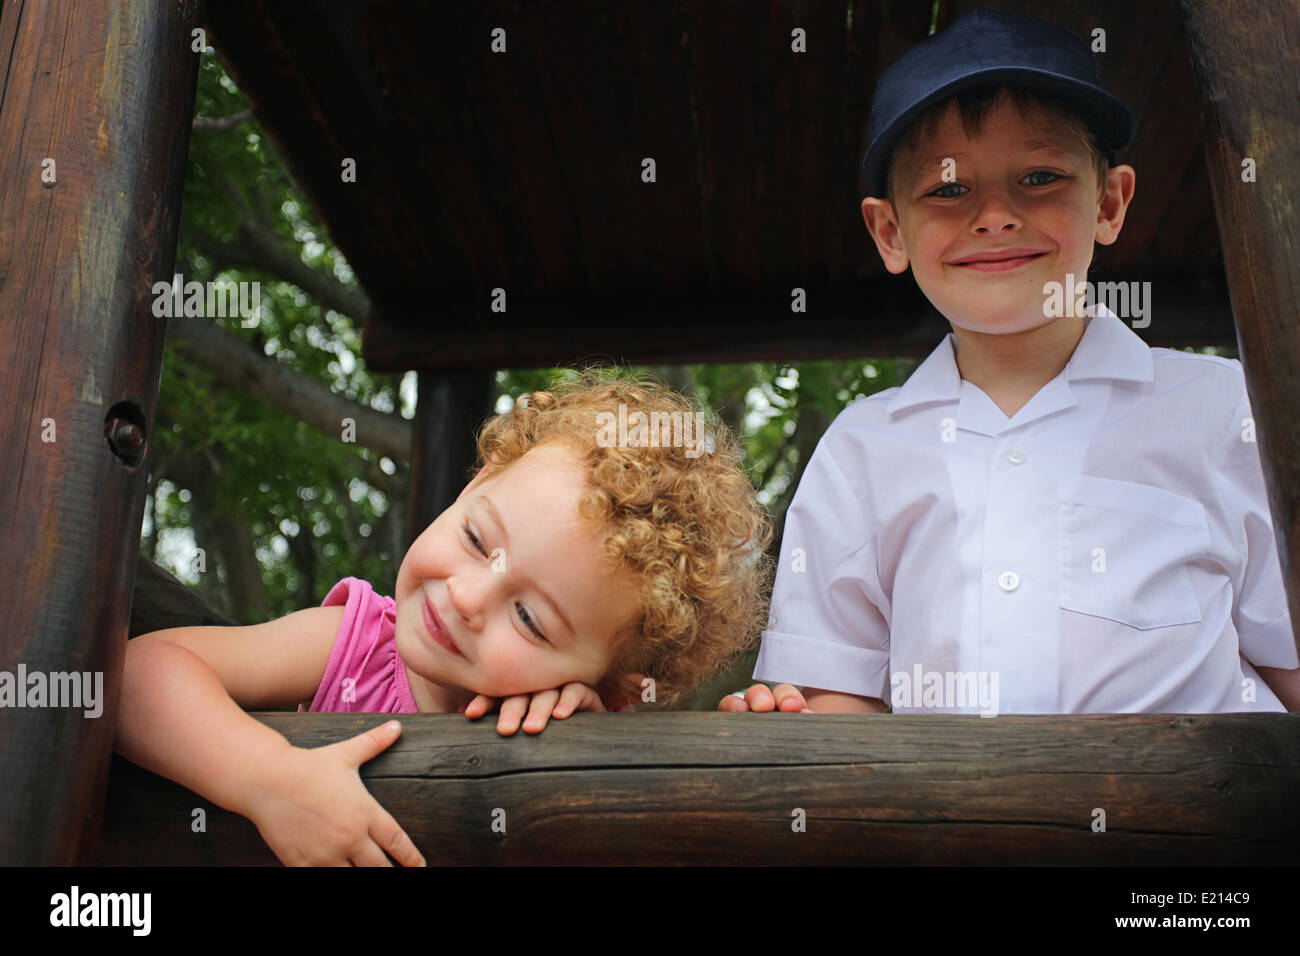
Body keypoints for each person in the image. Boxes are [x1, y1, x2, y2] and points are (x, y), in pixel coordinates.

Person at [721, 8, 1300, 718]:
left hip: (1209, 825)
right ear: (889, 231)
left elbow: (1290, 664)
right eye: (948, 188)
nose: (994, 214)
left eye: (1039, 176)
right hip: (946, 827)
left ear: (1110, 203)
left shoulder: (1229, 410)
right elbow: (843, 702)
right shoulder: (859, 452)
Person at [119, 370, 772, 865]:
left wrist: (588, 744)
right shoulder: (356, 647)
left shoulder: (577, 735)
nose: (466, 597)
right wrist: (268, 778)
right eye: (476, 540)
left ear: (613, 685)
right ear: (471, 486)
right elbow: (132, 678)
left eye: (529, 618)